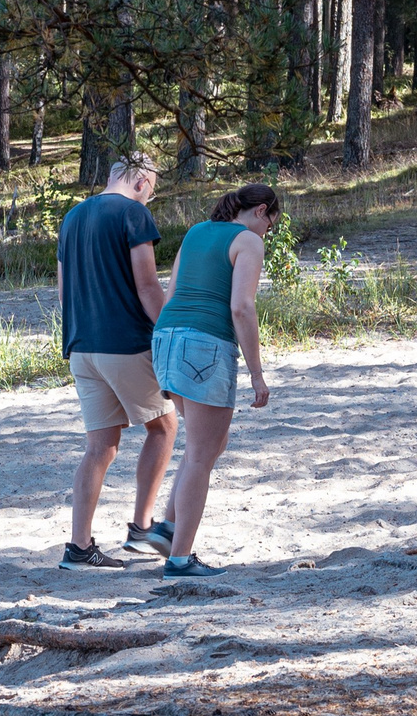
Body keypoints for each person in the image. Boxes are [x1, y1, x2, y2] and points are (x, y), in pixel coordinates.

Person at [55, 151, 179, 569]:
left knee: (100, 447)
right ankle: (143, 528)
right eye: (152, 192)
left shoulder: (72, 217)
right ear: (142, 181)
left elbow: (62, 288)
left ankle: (79, 547)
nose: (149, 201)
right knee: (164, 425)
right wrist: (168, 332)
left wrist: (74, 333)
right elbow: (147, 286)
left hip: (81, 345)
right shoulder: (132, 214)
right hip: (124, 342)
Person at [149, 181, 278, 578]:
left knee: (207, 445)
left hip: (166, 338)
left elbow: (171, 294)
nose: (267, 233)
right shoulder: (248, 241)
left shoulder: (196, 232)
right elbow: (241, 307)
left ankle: (169, 528)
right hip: (204, 343)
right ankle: (180, 560)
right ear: (261, 211)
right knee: (203, 455)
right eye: (271, 224)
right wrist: (257, 373)